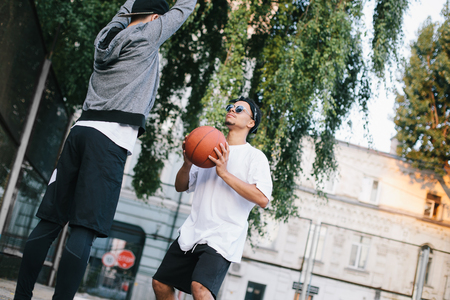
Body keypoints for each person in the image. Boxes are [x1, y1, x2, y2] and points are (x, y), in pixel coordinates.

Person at [14, 0, 196, 298]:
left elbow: (123, 12)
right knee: (84, 228)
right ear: (153, 18)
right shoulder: (147, 35)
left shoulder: (107, 35)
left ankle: (21, 296)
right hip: (110, 140)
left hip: (81, 131)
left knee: (49, 222)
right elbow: (183, 9)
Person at [152, 96, 273, 300]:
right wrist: (188, 163)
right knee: (160, 284)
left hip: (223, 235)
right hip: (193, 231)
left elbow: (262, 198)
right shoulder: (207, 149)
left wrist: (224, 173)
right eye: (230, 107)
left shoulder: (255, 157)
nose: (232, 110)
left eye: (239, 109)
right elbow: (180, 186)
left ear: (251, 123)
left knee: (200, 289)